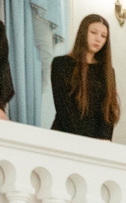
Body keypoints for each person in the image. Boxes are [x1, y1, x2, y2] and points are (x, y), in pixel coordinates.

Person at [49, 13, 118, 141]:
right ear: (83, 32)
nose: (98, 39)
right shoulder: (61, 64)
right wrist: (81, 141)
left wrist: (104, 140)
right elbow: (63, 107)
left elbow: (108, 110)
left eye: (103, 36)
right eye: (93, 32)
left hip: (96, 142)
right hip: (64, 136)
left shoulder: (107, 71)